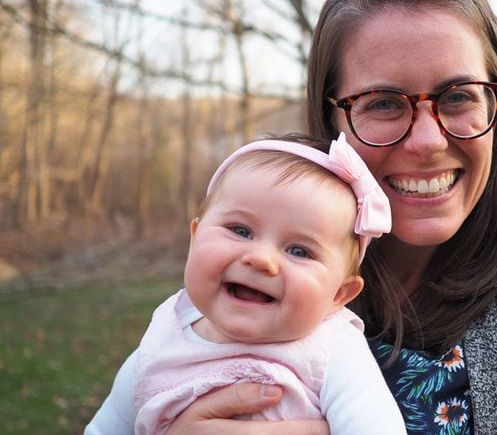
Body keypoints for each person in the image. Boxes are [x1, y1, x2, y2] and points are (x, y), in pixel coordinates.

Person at [167, 0, 497, 433]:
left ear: (496, 105)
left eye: (459, 96)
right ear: (331, 122)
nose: (428, 141)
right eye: (383, 103)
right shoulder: (253, 261)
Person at [85, 134, 406, 435]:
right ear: (195, 237)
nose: (260, 259)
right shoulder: (160, 343)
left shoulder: (332, 349)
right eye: (240, 230)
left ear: (339, 294)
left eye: (299, 251)